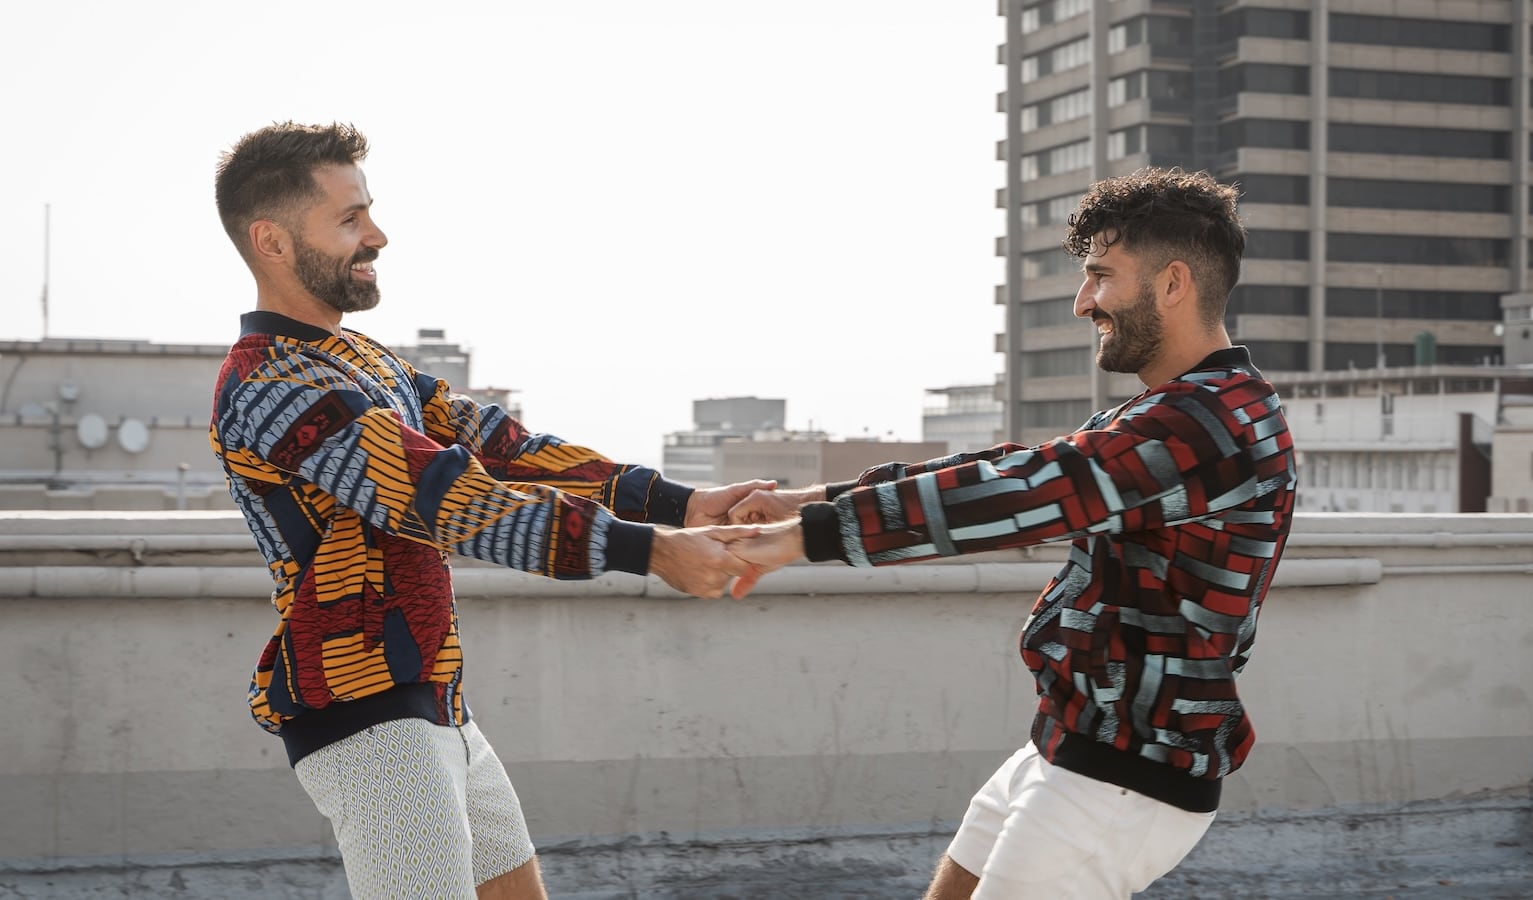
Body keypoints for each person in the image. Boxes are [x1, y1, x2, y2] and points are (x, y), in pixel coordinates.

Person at [208, 121, 766, 900]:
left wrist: (688, 503)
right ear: (271, 240)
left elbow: (504, 449)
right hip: (365, 721)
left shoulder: (364, 360)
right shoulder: (273, 386)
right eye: (348, 219)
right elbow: (453, 500)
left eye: (368, 210)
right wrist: (654, 550)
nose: (378, 235)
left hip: (436, 704)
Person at [725, 168, 1297, 899]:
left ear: (1174, 282)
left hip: (1126, 780)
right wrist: (814, 496)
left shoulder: (1206, 423)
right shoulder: (1180, 410)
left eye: (1101, 276)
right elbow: (1020, 466)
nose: (1083, 300)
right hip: (1070, 744)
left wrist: (802, 536)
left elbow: (1021, 494)